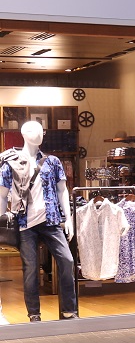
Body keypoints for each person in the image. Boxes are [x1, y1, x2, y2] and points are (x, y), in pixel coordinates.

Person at [0, 121, 78, 321]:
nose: (39, 134)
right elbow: (2, 195)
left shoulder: (52, 162)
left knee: (67, 261)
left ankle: (69, 311)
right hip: (26, 223)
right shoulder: (11, 162)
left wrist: (68, 219)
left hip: (51, 221)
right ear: (24, 134)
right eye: (33, 130)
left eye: (40, 130)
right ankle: (34, 314)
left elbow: (62, 191)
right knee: (31, 269)